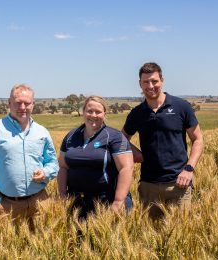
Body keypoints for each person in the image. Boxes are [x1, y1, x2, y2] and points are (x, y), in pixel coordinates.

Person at [122, 62, 204, 220]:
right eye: (146, 82)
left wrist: (189, 169)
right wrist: (136, 154)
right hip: (148, 186)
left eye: (154, 81)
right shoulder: (137, 113)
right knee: (151, 236)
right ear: (140, 84)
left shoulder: (181, 107)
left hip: (179, 184)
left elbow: (198, 139)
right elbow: (122, 139)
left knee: (182, 234)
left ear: (162, 81)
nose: (150, 86)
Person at [0, 84, 59, 224]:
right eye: (18, 103)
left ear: (33, 104)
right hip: (8, 204)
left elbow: (53, 163)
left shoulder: (42, 131)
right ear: (9, 103)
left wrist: (45, 172)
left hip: (41, 201)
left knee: (44, 243)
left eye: (27, 103)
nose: (22, 107)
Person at [58, 95, 134, 220]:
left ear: (105, 113)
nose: (93, 115)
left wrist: (119, 201)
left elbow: (126, 168)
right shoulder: (71, 136)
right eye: (89, 111)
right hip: (77, 202)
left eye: (98, 112)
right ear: (83, 112)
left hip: (106, 202)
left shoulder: (114, 137)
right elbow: (63, 167)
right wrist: (62, 194)